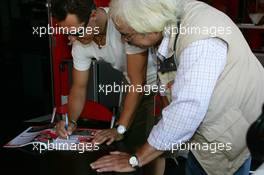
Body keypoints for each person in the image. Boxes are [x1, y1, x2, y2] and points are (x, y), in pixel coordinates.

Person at [90, 0, 264, 174]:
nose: (124, 40)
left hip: (230, 133)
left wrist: (135, 160)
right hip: (209, 134)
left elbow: (186, 110)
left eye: (127, 35)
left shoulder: (200, 37)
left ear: (148, 26)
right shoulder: (168, 21)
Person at [51, 0, 165, 175]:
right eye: (67, 33)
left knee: (153, 147)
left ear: (93, 15)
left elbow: (138, 82)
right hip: (132, 84)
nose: (71, 40)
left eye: (76, 32)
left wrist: (120, 128)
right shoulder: (79, 42)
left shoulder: (122, 23)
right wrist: (70, 121)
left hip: (159, 82)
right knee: (127, 145)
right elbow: (79, 88)